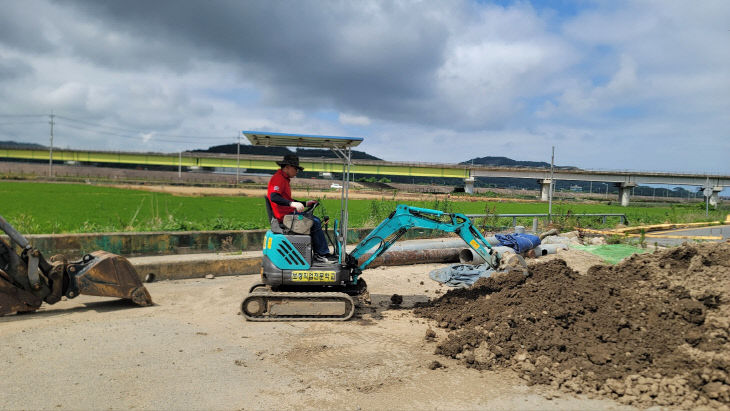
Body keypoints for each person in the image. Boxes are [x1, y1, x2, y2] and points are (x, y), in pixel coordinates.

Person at [267, 155, 337, 264]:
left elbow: (286, 199)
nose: (297, 171)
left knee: (313, 219)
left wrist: (305, 203)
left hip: (288, 214)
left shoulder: (284, 179)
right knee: (315, 222)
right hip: (285, 217)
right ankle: (321, 254)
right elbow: (274, 197)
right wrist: (292, 203)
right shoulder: (278, 178)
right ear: (288, 167)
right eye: (296, 169)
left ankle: (320, 252)